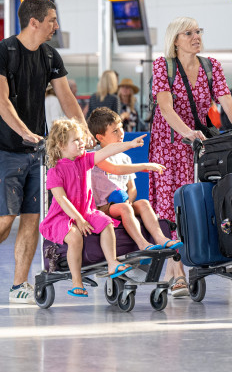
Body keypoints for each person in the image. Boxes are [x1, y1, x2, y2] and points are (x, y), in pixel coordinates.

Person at [0, 0, 89, 304]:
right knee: (5, 219)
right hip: (2, 148)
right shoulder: (0, 52)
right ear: (33, 22)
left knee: (32, 218)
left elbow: (66, 97)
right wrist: (25, 133)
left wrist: (83, 129)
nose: (56, 26)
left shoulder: (50, 56)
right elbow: (0, 100)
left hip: (37, 151)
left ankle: (18, 285)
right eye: (51, 20)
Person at [149, 17, 232, 296]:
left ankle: (182, 264)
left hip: (199, 144)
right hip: (169, 144)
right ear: (175, 40)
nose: (196, 37)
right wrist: (186, 132)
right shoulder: (162, 66)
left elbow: (227, 101)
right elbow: (165, 107)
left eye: (198, 31)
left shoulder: (211, 66)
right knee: (171, 206)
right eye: (188, 33)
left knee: (196, 204)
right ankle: (177, 272)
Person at [41, 119, 155, 296]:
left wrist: (129, 145)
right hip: (63, 216)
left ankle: (112, 262)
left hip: (86, 212)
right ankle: (77, 281)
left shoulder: (85, 160)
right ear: (62, 144)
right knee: (75, 237)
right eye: (76, 140)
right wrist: (77, 219)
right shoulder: (54, 171)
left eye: (81, 139)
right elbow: (62, 199)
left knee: (106, 222)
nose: (82, 143)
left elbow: (107, 150)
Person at [88, 107, 179, 251]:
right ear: (100, 137)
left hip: (122, 204)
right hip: (102, 207)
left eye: (121, 128)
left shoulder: (125, 158)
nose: (121, 133)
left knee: (143, 203)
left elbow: (132, 188)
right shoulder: (95, 156)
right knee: (124, 208)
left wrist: (129, 200)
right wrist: (145, 165)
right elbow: (116, 169)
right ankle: (142, 244)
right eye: (115, 131)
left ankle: (160, 238)